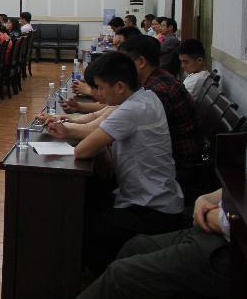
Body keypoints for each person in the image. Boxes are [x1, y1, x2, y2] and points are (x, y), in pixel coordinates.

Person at [47, 52, 184, 275]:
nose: (97, 94)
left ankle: (97, 277)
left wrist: (91, 142)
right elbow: (103, 148)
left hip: (153, 209)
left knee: (83, 219)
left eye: (100, 88)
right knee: (88, 197)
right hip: (156, 197)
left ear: (120, 87)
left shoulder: (131, 109)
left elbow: (82, 151)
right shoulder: (146, 97)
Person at [79, 188, 230, 299]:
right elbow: (232, 188)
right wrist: (204, 199)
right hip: (208, 230)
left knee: (119, 276)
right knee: (134, 247)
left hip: (228, 250)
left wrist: (207, 213)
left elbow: (233, 222)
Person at [119, 35, 201, 199]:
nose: (120, 70)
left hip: (181, 165)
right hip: (181, 157)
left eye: (124, 64)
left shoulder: (157, 90)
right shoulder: (157, 78)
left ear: (141, 62)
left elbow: (125, 122)